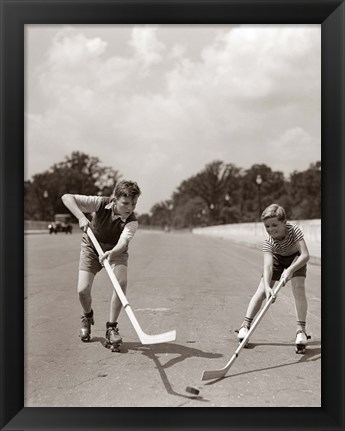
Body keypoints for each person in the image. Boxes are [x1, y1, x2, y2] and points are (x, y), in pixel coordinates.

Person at [61, 180, 141, 349]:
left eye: (133, 203)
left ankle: (111, 327)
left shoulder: (132, 222)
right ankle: (87, 316)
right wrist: (81, 217)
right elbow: (66, 197)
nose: (130, 208)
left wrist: (111, 253)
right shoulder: (100, 203)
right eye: (125, 203)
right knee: (82, 290)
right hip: (91, 246)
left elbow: (122, 243)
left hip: (115, 251)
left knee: (121, 283)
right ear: (115, 199)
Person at [236, 203, 310, 352]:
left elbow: (305, 255)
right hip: (277, 258)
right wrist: (269, 287)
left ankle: (300, 330)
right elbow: (268, 266)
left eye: (274, 225)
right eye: (267, 227)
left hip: (296, 259)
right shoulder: (268, 243)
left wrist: (290, 270)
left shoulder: (294, 231)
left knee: (298, 288)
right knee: (262, 291)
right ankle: (245, 325)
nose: (271, 230)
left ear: (284, 222)